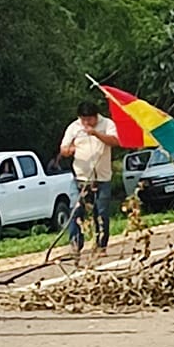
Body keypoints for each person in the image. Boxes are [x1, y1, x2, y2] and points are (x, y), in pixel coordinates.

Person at [59, 99, 121, 256]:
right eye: (83, 119)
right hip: (80, 177)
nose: (86, 123)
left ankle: (101, 245)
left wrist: (96, 134)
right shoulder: (74, 128)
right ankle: (75, 244)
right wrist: (68, 150)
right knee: (76, 210)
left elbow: (115, 141)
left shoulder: (107, 124)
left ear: (96, 116)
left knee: (101, 212)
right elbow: (63, 148)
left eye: (89, 119)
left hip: (102, 177)